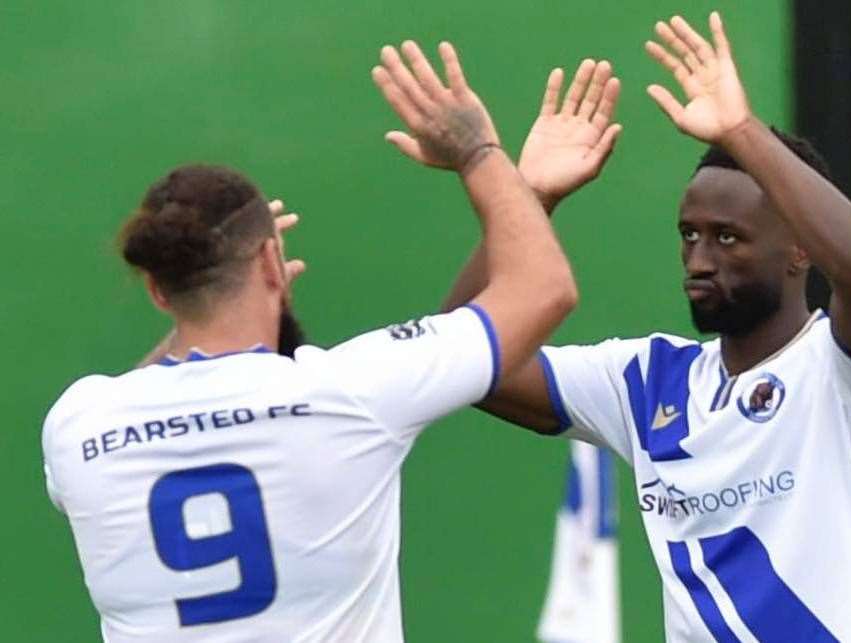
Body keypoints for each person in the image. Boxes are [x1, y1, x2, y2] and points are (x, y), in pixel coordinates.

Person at [41, 40, 579, 642]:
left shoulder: (79, 426)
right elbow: (543, 288)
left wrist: (218, 296)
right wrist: (479, 150)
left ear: (158, 291)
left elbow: (156, 388)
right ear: (272, 260)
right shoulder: (352, 389)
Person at [442, 12, 851, 642]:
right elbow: (458, 354)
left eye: (728, 238)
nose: (699, 260)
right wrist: (528, 198)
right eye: (689, 236)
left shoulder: (847, 373)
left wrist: (742, 130)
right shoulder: (647, 382)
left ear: (799, 251)